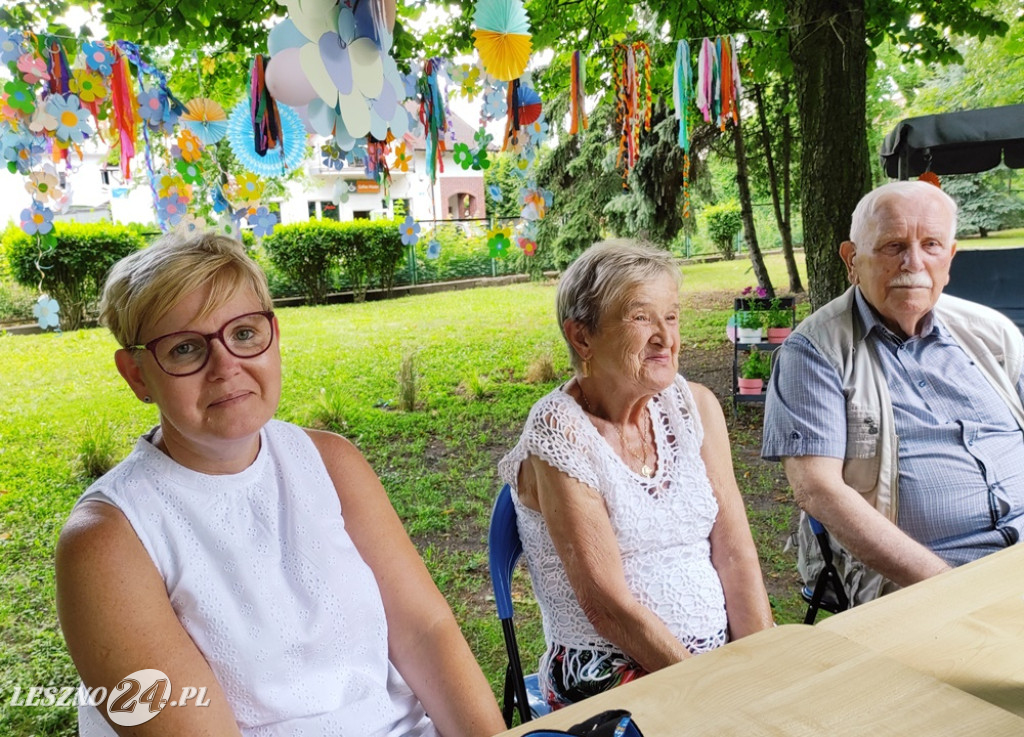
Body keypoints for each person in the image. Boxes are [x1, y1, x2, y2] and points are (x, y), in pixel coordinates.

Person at [55, 232, 505, 737]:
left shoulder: (332, 463)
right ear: (137, 375)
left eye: (244, 334)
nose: (227, 367)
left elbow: (426, 633)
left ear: (274, 336)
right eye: (185, 349)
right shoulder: (108, 541)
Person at [499, 240, 774, 709]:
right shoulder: (559, 430)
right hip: (606, 665)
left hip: (710, 656)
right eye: (641, 317)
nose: (665, 337)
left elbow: (736, 553)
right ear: (582, 337)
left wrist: (765, 665)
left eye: (671, 317)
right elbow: (607, 607)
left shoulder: (697, 407)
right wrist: (711, 692)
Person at [763, 180, 1024, 605]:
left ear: (950, 258)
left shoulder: (991, 333)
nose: (914, 263)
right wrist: (952, 588)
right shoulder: (814, 353)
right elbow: (817, 490)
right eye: (893, 245)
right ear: (852, 260)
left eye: (932, 245)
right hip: (923, 580)